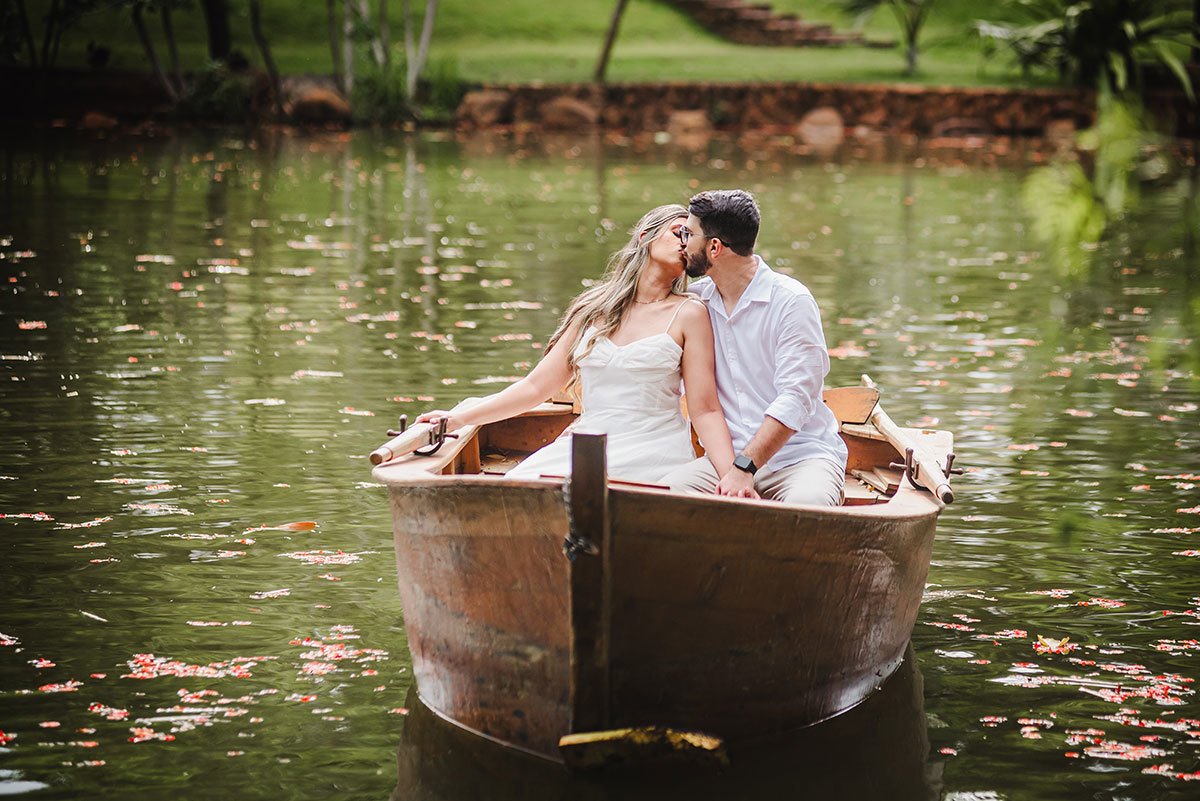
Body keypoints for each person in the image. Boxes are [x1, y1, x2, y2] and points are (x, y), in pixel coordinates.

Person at [415, 204, 738, 487]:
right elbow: (534, 387)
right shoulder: (593, 309)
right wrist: (457, 419)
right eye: (679, 232)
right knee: (517, 485)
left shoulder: (689, 313)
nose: (685, 243)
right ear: (644, 237)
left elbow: (705, 409)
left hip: (653, 449)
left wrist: (732, 478)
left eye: (691, 239)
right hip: (588, 444)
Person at [662, 189, 848, 506]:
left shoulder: (791, 302)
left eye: (688, 233)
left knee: (807, 509)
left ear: (715, 248)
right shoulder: (697, 303)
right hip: (723, 460)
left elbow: (796, 397)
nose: (683, 241)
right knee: (661, 498)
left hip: (800, 458)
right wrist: (732, 468)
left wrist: (745, 466)